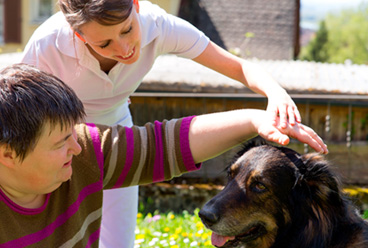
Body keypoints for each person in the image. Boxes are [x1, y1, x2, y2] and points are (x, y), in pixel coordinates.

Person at [21, 1, 303, 247]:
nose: (124, 48)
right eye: (104, 44)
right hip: (60, 142)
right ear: (78, 35)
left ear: (136, 5)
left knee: (119, 241)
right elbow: (17, 114)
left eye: (127, 29)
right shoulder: (47, 44)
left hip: (119, 138)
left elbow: (238, 67)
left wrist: (275, 92)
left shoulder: (159, 25)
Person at [0, 63, 327, 247]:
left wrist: (256, 120)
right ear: (8, 154)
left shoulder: (84, 152)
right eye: (60, 143)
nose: (76, 146)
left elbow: (160, 145)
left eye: (74, 132)